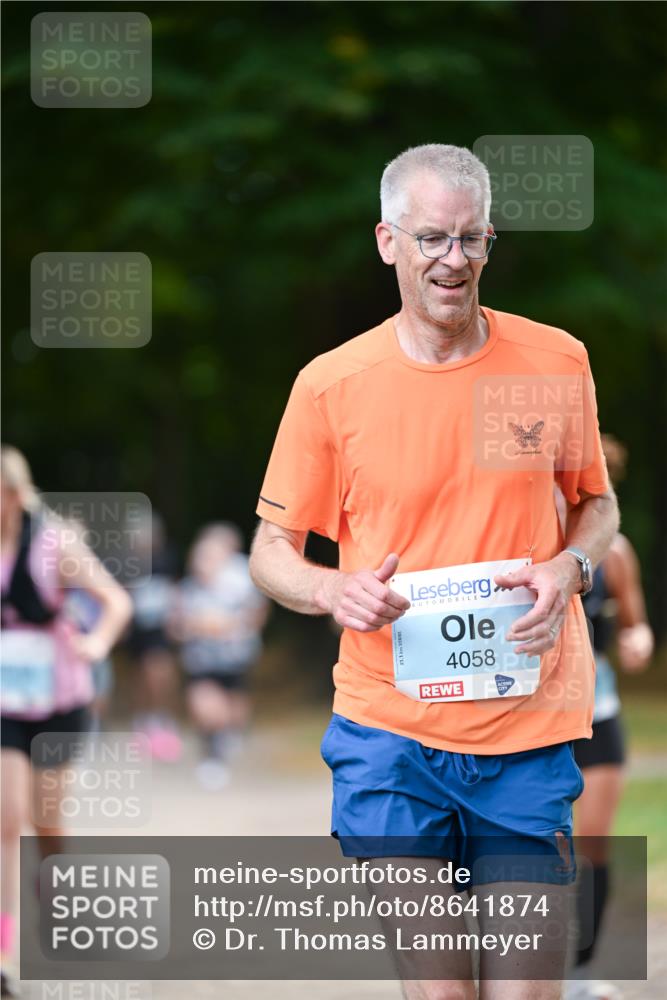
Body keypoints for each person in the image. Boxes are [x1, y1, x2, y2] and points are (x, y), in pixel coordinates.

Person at [249, 144, 619, 1000]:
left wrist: (570, 566)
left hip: (526, 726)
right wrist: (329, 589)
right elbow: (272, 550)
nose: (452, 260)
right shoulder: (331, 386)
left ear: (489, 241)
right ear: (387, 243)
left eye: (469, 239)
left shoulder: (553, 362)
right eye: (429, 239)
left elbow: (596, 506)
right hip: (388, 731)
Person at [0, 446, 132, 998]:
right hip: (5, 703)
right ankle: (4, 955)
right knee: (6, 822)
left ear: (11, 494)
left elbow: (114, 599)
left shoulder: (54, 542)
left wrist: (96, 641)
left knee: (46, 823)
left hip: (60, 699)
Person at [565, 436, 653, 1000]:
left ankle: (579, 973)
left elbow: (635, 624)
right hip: (531, 723)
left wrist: (638, 641)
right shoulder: (520, 541)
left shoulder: (614, 551)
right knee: (532, 848)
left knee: (591, 843)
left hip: (599, 713)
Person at [169, 523, 269, 790]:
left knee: (234, 713)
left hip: (235, 659)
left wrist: (233, 627)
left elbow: (257, 612)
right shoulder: (187, 589)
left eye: (210, 557)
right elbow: (175, 625)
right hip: (201, 662)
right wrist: (192, 628)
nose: (203, 563)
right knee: (210, 711)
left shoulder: (239, 582)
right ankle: (212, 758)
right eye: (199, 557)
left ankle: (229, 738)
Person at [126, 511, 182, 762]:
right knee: (140, 676)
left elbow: (174, 590)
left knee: (159, 672)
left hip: (160, 628)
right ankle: (143, 722)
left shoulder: (166, 559)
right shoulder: (127, 564)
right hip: (138, 630)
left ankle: (163, 720)